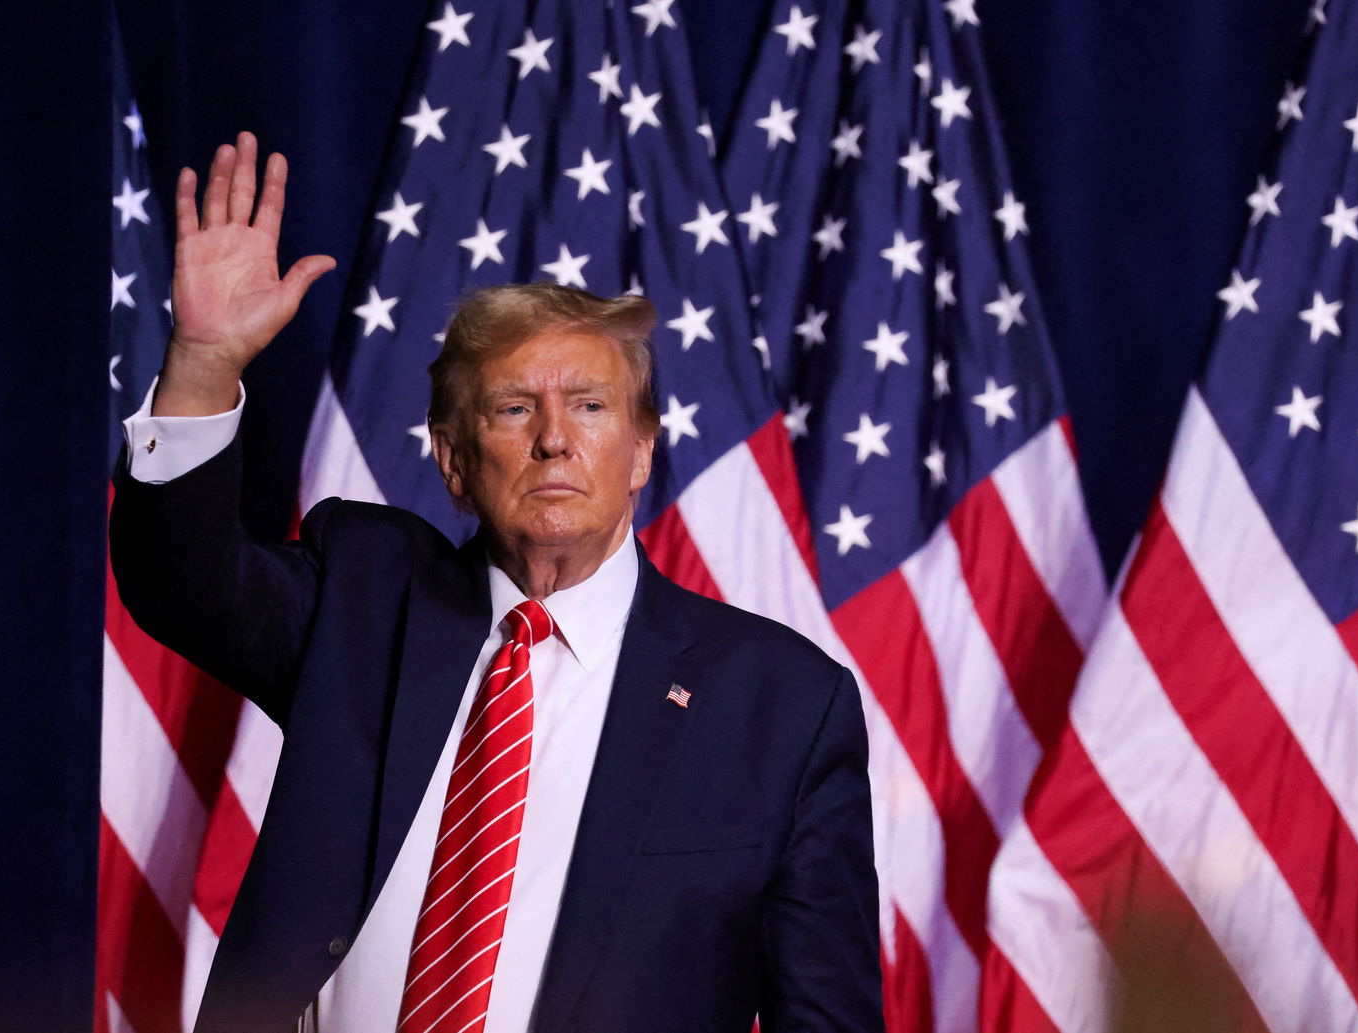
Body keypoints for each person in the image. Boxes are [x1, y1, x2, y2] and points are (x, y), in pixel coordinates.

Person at [111, 132, 882, 1033]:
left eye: (589, 406)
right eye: (515, 408)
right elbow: (183, 584)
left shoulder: (782, 704)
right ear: (453, 460)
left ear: (640, 451)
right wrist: (204, 365)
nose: (554, 439)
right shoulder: (364, 598)